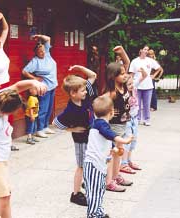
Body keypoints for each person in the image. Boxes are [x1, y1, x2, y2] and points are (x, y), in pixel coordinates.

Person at [0, 79, 46, 218]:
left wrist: (34, 83)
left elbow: (18, 86)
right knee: (0, 202)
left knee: (5, 198)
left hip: (0, 161)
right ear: (2, 111)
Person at [52, 65, 96, 206]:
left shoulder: (85, 97)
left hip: (91, 136)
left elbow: (93, 75)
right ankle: (76, 194)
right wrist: (72, 129)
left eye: (84, 89)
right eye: (82, 90)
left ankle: (86, 183)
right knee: (81, 166)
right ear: (73, 93)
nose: (85, 92)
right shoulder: (69, 110)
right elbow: (55, 123)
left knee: (90, 162)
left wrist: (79, 67)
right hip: (81, 140)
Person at [83, 95, 133, 218]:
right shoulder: (101, 124)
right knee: (94, 192)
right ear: (112, 112)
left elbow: (107, 141)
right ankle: (94, 214)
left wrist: (116, 149)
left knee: (99, 190)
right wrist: (124, 141)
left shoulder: (99, 124)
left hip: (99, 165)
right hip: (94, 165)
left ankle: (98, 212)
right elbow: (110, 134)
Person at [103, 46, 133, 192]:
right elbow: (98, 103)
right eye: (121, 74)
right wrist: (108, 111)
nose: (124, 75)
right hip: (113, 128)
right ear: (113, 76)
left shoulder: (123, 86)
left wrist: (121, 52)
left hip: (122, 126)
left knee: (119, 153)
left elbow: (127, 63)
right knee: (113, 153)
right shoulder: (112, 93)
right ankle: (109, 181)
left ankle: (115, 176)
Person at [22, 34, 58, 138]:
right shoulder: (35, 61)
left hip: (53, 86)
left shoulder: (47, 54)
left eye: (43, 50)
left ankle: (46, 126)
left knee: (50, 108)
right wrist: (35, 78)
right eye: (40, 51)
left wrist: (39, 36)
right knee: (43, 109)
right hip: (44, 88)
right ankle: (39, 129)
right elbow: (24, 71)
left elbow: (48, 39)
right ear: (36, 52)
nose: (42, 52)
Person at [129, 45, 162, 126]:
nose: (146, 51)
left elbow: (159, 68)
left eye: (147, 49)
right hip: (137, 86)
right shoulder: (134, 61)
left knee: (147, 104)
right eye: (145, 49)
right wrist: (130, 83)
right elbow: (131, 74)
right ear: (141, 50)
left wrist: (154, 76)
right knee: (137, 104)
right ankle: (138, 118)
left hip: (148, 86)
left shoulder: (150, 61)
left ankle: (147, 119)